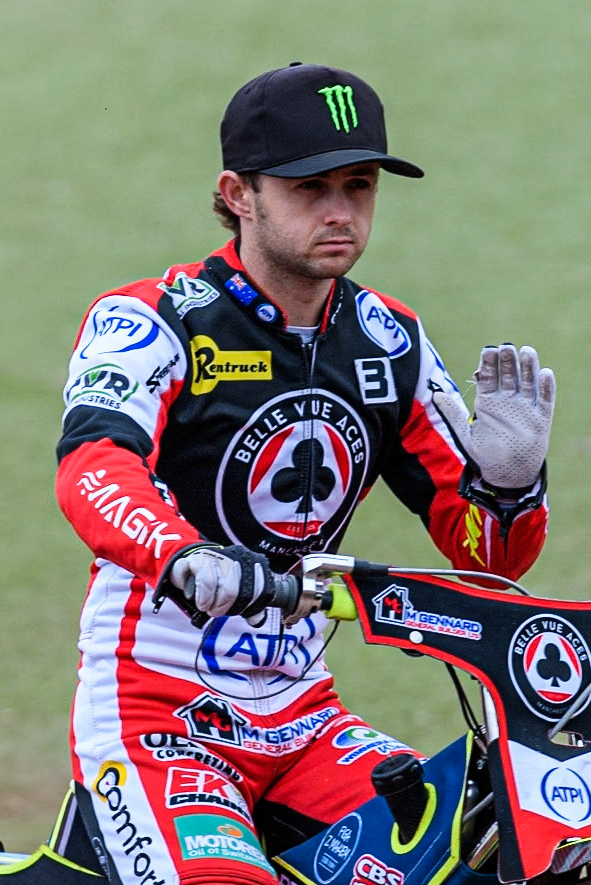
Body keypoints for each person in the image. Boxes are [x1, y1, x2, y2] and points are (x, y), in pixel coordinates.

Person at [52, 62, 556, 885]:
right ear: (239, 194)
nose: (340, 212)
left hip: (304, 719)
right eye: (308, 187)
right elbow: (93, 467)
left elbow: (490, 560)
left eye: (359, 187)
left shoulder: (390, 340)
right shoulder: (150, 319)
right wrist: (183, 554)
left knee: (492, 843)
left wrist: (509, 486)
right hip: (156, 715)